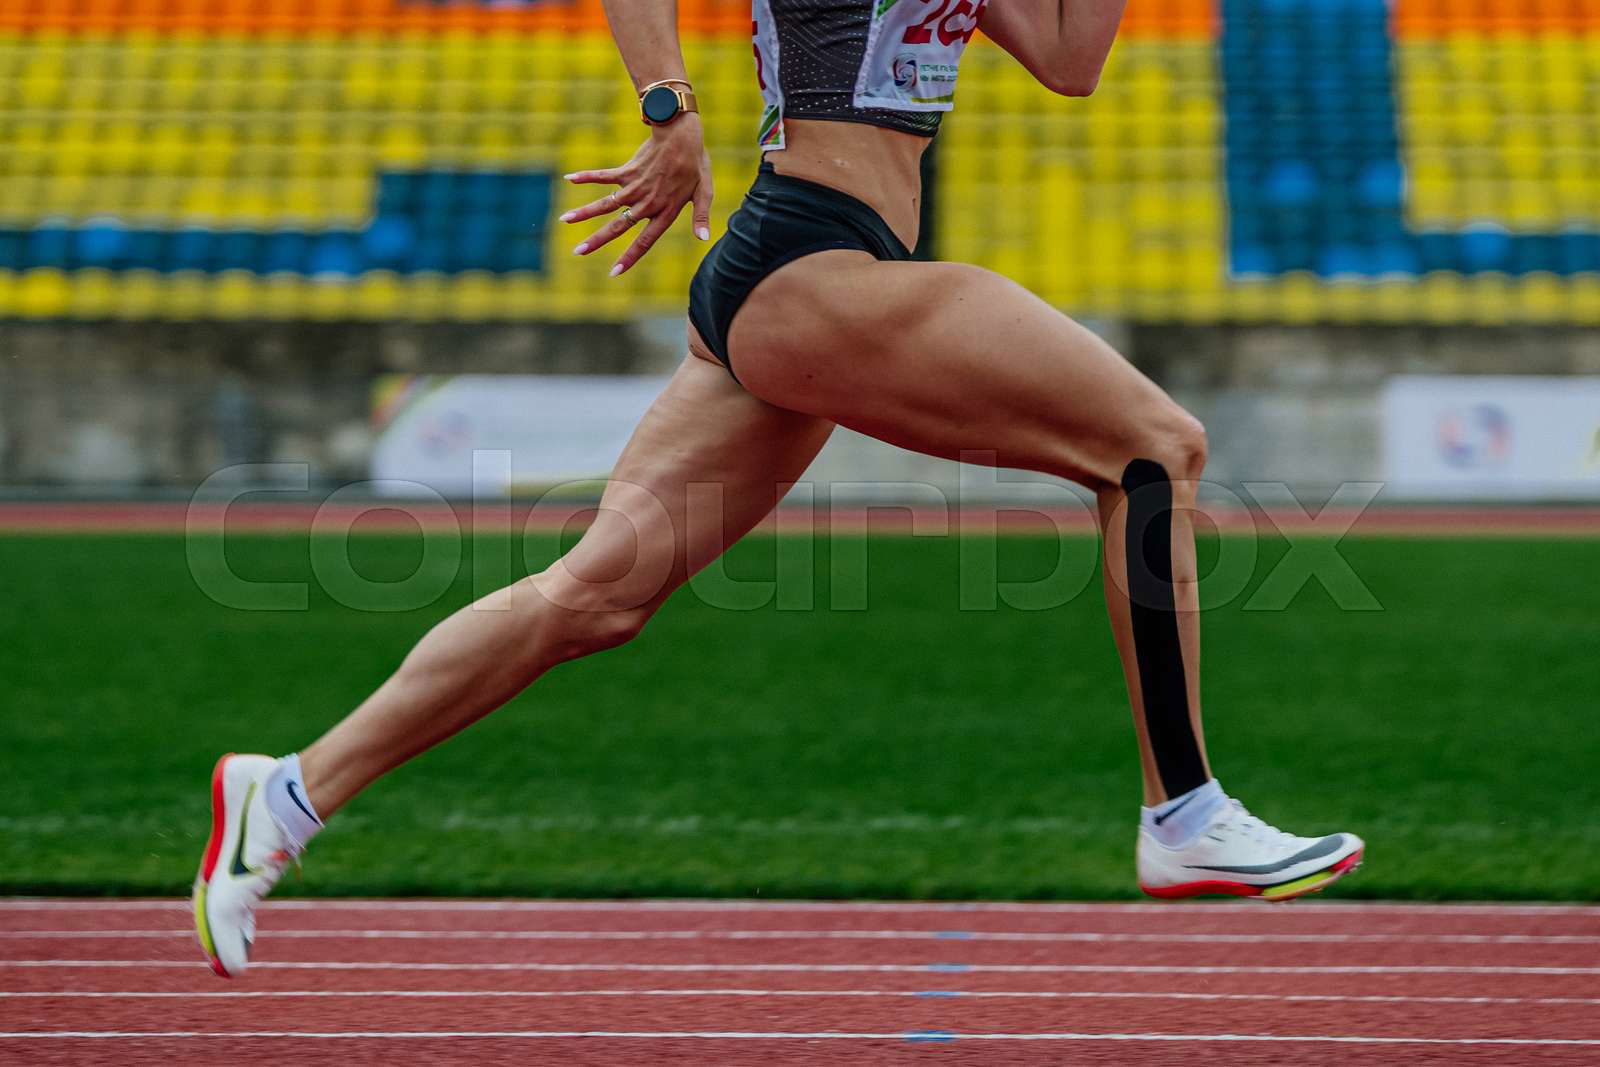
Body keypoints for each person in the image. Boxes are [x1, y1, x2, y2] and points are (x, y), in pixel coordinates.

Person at [193, 0, 1363, 979]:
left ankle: (286, 793)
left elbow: (1070, 61)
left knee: (595, 595)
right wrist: (669, 109)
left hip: (810, 272)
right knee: (1154, 448)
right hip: (812, 261)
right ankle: (1184, 808)